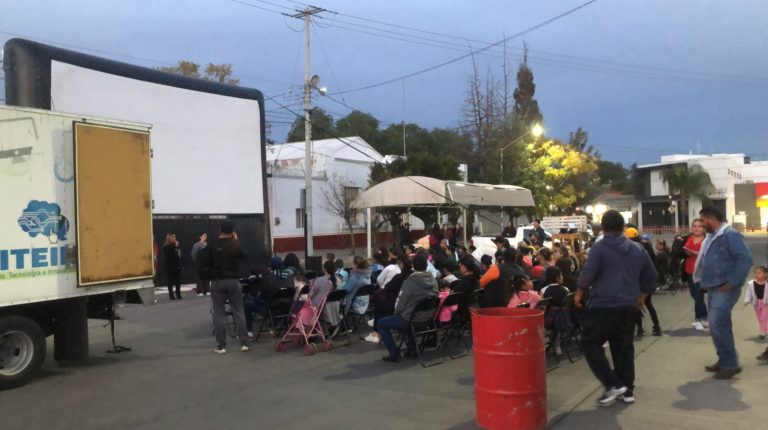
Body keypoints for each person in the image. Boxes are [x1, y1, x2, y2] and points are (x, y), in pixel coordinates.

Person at [575, 210, 656, 405]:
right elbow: (652, 276)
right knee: (623, 348)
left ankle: (612, 383)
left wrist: (579, 293)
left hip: (603, 305)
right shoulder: (638, 249)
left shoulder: (599, 248)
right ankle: (627, 390)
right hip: (629, 306)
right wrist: (642, 298)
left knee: (589, 342)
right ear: (623, 228)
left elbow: (588, 273)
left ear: (603, 228)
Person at [693, 206, 753, 379]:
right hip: (714, 286)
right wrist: (705, 281)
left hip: (725, 287)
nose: (701, 225)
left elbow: (745, 259)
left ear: (711, 219)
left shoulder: (730, 235)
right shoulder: (713, 236)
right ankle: (726, 359)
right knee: (720, 325)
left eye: (703, 221)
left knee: (717, 323)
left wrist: (733, 281)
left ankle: (730, 364)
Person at [378, 254, 438, 362]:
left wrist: (396, 314)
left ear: (413, 266)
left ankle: (394, 353)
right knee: (409, 313)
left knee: (381, 323)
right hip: (428, 317)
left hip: (410, 319)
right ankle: (412, 348)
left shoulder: (410, 282)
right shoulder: (433, 280)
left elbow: (400, 304)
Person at [207, 221, 249, 354]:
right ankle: (244, 343)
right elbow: (244, 255)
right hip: (233, 281)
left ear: (220, 230)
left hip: (217, 282)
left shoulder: (212, 244)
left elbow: (207, 261)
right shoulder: (236, 244)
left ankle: (221, 346)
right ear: (232, 232)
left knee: (219, 313)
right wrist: (236, 240)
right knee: (239, 311)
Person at [365, 255, 414, 343]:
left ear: (402, 264)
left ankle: (375, 333)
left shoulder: (399, 276)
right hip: (411, 305)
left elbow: (387, 287)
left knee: (379, 306)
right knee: (380, 302)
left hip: (399, 306)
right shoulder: (414, 276)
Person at [625, 227, 661, 337]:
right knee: (649, 304)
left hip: (638, 280)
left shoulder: (632, 248)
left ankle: (640, 329)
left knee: (637, 305)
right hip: (648, 280)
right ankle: (657, 327)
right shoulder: (646, 245)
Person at [683, 219, 708, 330]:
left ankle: (698, 319)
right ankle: (706, 317)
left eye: (699, 226)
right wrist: (686, 251)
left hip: (700, 272)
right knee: (695, 295)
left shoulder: (707, 239)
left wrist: (693, 253)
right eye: (694, 226)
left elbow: (707, 254)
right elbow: (684, 249)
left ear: (703, 228)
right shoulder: (689, 237)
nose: (697, 228)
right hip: (689, 270)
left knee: (699, 296)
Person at [743, 266, 768, 339]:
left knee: (763, 317)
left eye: (759, 273)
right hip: (756, 303)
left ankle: (762, 333)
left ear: (765, 274)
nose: (757, 274)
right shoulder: (752, 283)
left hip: (766, 303)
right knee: (759, 318)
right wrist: (747, 300)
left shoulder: (767, 284)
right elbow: (749, 292)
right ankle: (764, 329)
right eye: (755, 273)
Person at [163, 233, 182, 300]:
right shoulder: (166, 247)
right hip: (170, 267)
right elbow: (171, 255)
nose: (175, 238)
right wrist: (176, 247)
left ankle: (178, 294)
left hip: (177, 266)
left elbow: (179, 255)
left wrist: (177, 247)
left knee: (178, 281)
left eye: (175, 237)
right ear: (170, 238)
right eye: (173, 237)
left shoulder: (175, 245)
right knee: (170, 282)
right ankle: (171, 295)